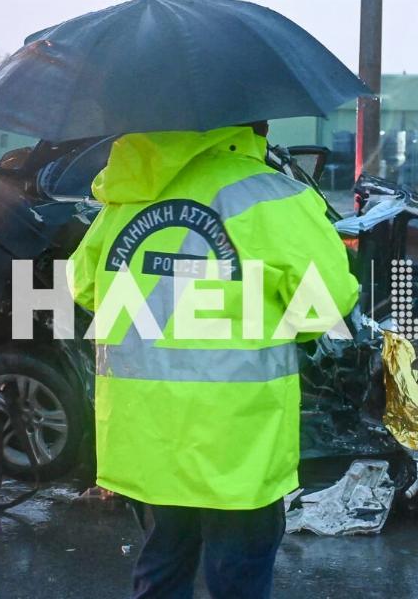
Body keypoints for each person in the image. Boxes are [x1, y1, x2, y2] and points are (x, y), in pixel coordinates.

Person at [68, 122, 357, 598]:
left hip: (149, 436)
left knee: (163, 564)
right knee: (238, 577)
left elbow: (82, 286)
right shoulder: (270, 196)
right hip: (237, 441)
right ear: (254, 126)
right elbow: (323, 306)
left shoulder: (133, 191)